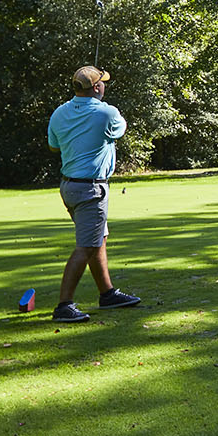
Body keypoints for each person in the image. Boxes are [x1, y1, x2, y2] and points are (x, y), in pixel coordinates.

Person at [47, 65, 139, 322]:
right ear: (97, 87)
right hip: (91, 188)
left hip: (69, 187)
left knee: (99, 238)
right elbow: (121, 129)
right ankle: (64, 305)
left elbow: (53, 146)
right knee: (86, 246)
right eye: (103, 83)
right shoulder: (107, 113)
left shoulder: (59, 112)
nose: (105, 86)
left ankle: (107, 293)